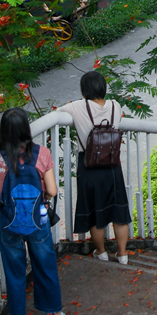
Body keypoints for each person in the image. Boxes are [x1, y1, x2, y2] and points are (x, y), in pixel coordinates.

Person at [0, 108, 66, 315]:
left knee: (15, 274)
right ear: (27, 129)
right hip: (37, 224)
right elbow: (52, 191)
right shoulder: (41, 154)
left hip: (9, 226)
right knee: (45, 266)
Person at [65, 69, 132, 264]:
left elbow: (55, 114)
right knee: (119, 211)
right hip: (112, 165)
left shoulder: (77, 107)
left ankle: (101, 252)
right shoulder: (115, 105)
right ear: (103, 87)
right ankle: (122, 254)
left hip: (89, 165)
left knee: (95, 210)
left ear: (84, 90)